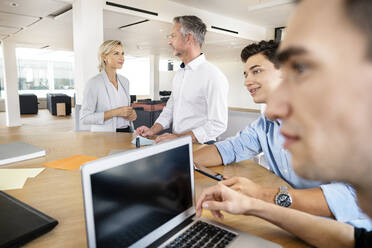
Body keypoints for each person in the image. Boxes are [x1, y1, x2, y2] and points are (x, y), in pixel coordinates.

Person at [196, 0, 372, 247]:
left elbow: (349, 197)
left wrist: (263, 196)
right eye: (245, 74)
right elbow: (230, 149)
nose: (247, 82)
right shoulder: (265, 123)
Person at [136, 15, 229, 144]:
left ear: (188, 38)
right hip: (178, 142)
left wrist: (179, 139)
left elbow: (218, 124)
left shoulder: (213, 75)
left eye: (173, 36)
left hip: (201, 145)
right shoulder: (179, 74)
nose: (169, 42)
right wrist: (152, 130)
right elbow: (170, 109)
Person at [80, 40, 136, 132]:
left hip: (127, 133)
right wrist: (115, 112)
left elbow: (126, 111)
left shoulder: (125, 81)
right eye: (116, 54)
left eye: (122, 54)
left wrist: (132, 115)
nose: (122, 58)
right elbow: (85, 118)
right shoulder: (94, 83)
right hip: (104, 137)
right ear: (104, 57)